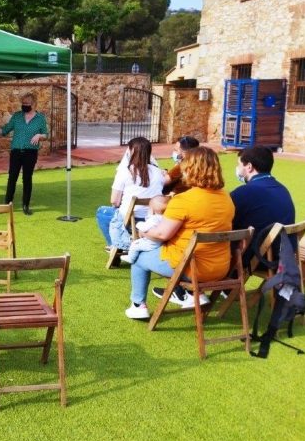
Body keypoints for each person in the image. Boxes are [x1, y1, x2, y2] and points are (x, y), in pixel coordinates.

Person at [126, 147, 235, 320]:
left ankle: (138, 305)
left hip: (192, 267)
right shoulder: (226, 198)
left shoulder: (183, 200)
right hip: (220, 268)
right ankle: (191, 294)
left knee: (138, 257)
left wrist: (142, 231)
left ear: (190, 169)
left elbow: (162, 234)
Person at [0, 93, 48, 215]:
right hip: (16, 152)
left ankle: (25, 205)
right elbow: (5, 130)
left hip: (31, 152)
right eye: (23, 103)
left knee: (27, 179)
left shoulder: (40, 119)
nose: (24, 106)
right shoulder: (17, 116)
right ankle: (7, 204)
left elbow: (45, 134)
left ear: (34, 104)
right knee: (12, 178)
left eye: (27, 104)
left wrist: (39, 135)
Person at [96, 137, 165, 249]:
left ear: (131, 151)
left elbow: (114, 201)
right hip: (152, 221)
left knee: (102, 212)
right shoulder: (158, 172)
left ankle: (113, 246)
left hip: (129, 220)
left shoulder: (125, 171)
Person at [231, 146, 295, 263]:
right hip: (285, 254)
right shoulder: (282, 189)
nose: (237, 168)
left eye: (239, 164)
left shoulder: (244, 192)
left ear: (249, 167)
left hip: (262, 258)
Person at [120, 195, 169, 264]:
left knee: (135, 244)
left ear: (153, 210)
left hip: (151, 243)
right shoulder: (165, 218)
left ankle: (131, 258)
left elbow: (144, 228)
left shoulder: (153, 219)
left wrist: (138, 224)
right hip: (160, 243)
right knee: (139, 242)